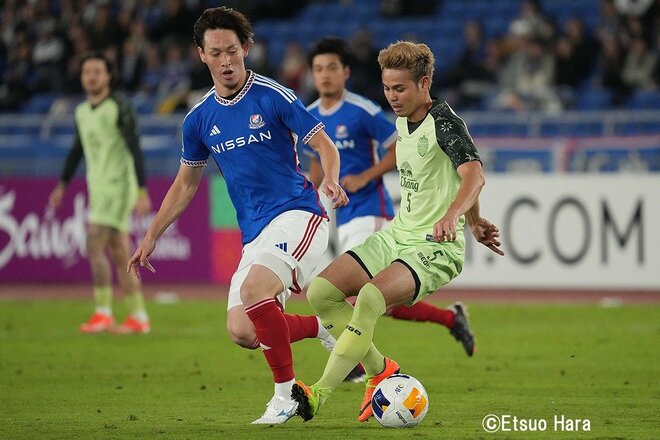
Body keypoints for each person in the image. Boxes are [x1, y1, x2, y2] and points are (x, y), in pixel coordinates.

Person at [126, 7, 349, 425]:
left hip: (299, 214)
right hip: (255, 233)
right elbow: (185, 184)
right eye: (216, 53)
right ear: (201, 55)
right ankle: (323, 329)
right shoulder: (198, 119)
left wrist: (332, 180)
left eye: (232, 50)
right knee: (243, 331)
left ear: (246, 48)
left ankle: (286, 394)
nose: (226, 61)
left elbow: (325, 146)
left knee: (254, 291)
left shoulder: (273, 95)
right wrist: (152, 234)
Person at [290, 41, 505, 423]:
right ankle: (382, 370)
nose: (392, 97)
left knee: (370, 298)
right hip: (398, 234)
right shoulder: (403, 122)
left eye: (400, 89)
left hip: (436, 247)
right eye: (388, 88)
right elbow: (450, 176)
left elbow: (473, 172)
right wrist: (474, 220)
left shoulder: (445, 122)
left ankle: (319, 392)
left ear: (424, 83)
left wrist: (457, 218)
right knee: (322, 293)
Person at [304, 37, 477, 372]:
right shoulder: (309, 116)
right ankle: (446, 321)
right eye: (318, 69)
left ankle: (357, 366)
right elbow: (316, 164)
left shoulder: (365, 111)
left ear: (345, 73)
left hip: (371, 208)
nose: (324, 75)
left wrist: (366, 177)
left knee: (365, 297)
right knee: (373, 299)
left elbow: (402, 150)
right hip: (339, 211)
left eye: (331, 68)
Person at [48, 52, 153, 334]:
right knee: (120, 253)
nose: (92, 76)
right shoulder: (82, 112)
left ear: (108, 76)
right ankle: (138, 316)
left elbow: (134, 147)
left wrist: (141, 190)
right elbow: (76, 150)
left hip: (119, 185)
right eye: (87, 72)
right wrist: (62, 185)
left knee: (93, 242)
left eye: (97, 71)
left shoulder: (119, 106)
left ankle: (103, 312)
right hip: (98, 187)